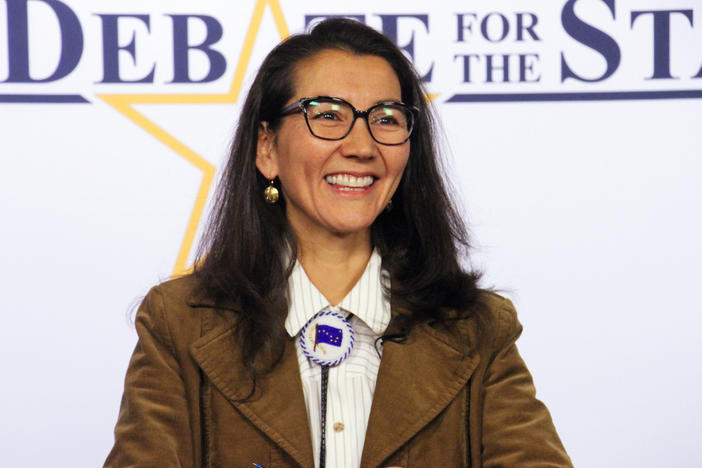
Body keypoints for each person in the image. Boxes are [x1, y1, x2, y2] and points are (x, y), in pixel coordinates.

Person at [105, 18, 572, 468]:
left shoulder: (478, 329)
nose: (362, 146)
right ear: (266, 148)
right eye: (328, 115)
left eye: (387, 119)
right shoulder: (179, 324)